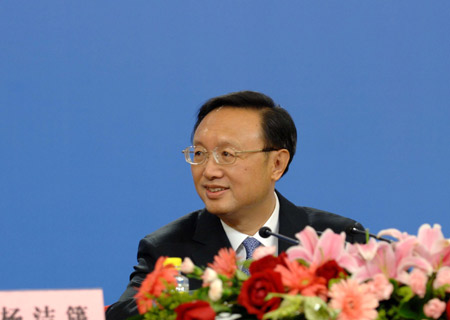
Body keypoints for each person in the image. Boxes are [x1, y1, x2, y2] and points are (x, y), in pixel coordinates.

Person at [105, 90, 365, 320]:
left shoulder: (337, 239)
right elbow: (121, 314)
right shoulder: (167, 247)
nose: (208, 171)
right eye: (199, 154)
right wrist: (213, 299)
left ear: (277, 164)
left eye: (227, 155)